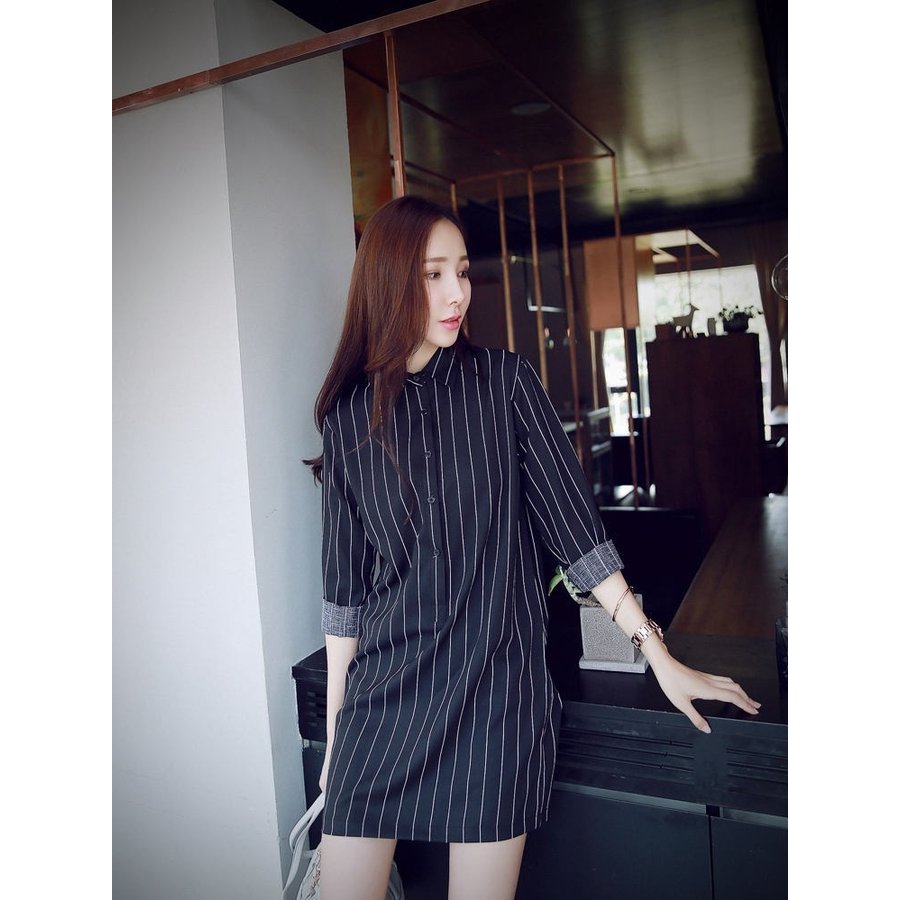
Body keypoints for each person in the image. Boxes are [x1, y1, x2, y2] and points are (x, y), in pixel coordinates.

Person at [303, 195, 760, 900]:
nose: (457, 293)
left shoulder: (505, 385)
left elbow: (579, 537)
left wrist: (658, 654)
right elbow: (346, 597)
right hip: (383, 705)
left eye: (462, 272)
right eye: (433, 275)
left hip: (495, 702)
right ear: (389, 282)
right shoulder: (348, 418)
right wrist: (339, 735)